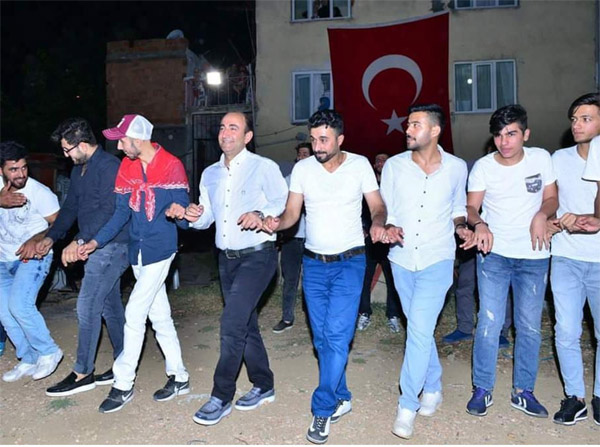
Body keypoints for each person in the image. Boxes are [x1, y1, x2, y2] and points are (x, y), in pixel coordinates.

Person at [262, 109, 387, 444]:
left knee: (336, 337)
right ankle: (342, 396)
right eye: (314, 139)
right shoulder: (303, 169)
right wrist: (276, 222)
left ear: (340, 139)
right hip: (314, 264)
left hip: (350, 262)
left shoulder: (360, 165)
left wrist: (378, 222)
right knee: (322, 340)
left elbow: (377, 206)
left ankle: (323, 408)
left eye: (324, 139)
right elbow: (292, 212)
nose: (317, 146)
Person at [169, 112, 288, 426]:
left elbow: (282, 202)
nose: (225, 132)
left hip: (258, 256)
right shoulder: (210, 174)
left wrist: (260, 212)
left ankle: (221, 396)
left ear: (247, 137)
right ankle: (263, 383)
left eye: (233, 127)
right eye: (222, 127)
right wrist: (192, 216)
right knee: (245, 324)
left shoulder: (264, 167)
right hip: (226, 259)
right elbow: (207, 217)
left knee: (232, 323)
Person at [75, 114, 191, 413]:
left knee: (134, 313)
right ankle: (179, 376)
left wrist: (180, 211)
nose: (118, 147)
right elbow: (120, 214)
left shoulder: (171, 165)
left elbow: (185, 217)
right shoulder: (127, 167)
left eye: (122, 141)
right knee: (160, 317)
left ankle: (123, 383)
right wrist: (96, 241)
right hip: (137, 251)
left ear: (138, 139)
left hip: (161, 250)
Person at [380, 104, 471, 439]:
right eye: (408, 124)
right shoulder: (394, 166)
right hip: (402, 258)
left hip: (438, 257)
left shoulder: (457, 167)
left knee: (418, 328)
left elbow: (458, 207)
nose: (408, 129)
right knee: (420, 327)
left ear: (434, 130)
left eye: (416, 124)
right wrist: (387, 226)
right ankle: (433, 384)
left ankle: (407, 405)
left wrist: (461, 226)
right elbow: (386, 209)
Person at [466, 104, 557, 418]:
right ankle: (482, 388)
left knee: (529, 326)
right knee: (489, 322)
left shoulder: (541, 158)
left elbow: (551, 197)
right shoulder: (483, 167)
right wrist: (480, 224)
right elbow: (471, 208)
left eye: (511, 134)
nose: (504, 141)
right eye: (499, 135)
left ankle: (523, 391)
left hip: (534, 254)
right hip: (494, 255)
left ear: (525, 134)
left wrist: (542, 215)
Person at [36, 118, 130, 397]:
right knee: (110, 306)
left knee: (87, 305)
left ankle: (83, 372)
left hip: (114, 245)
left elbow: (108, 210)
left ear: (83, 144)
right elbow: (70, 208)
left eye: (68, 149)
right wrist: (52, 237)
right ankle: (123, 362)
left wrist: (79, 240)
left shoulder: (109, 167)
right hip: (94, 245)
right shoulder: (79, 170)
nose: (66, 155)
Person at [546, 92, 600, 426]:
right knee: (566, 330)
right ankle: (575, 397)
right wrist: (555, 220)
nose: (577, 125)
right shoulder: (559, 158)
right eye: (574, 119)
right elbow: (549, 200)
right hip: (566, 255)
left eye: (586, 119)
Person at [0, 141, 63, 382]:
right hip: (3, 259)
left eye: (24, 167)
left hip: (35, 256)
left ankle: (49, 351)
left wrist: (37, 238)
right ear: (1, 170)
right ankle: (28, 358)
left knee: (20, 305)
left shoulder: (40, 193)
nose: (20, 174)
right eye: (13, 169)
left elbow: (60, 224)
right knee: (5, 313)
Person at [356, 152, 403, 333]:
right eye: (378, 160)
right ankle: (364, 313)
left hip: (391, 240)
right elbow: (360, 210)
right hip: (371, 239)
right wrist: (363, 228)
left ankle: (393, 315)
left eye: (384, 159)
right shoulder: (368, 186)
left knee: (393, 279)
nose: (381, 162)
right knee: (364, 277)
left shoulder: (396, 185)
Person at [273, 142, 313, 334]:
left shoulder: (319, 179)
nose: (302, 157)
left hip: (314, 240)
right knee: (290, 279)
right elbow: (279, 204)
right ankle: (287, 317)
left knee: (311, 281)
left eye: (306, 154)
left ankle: (312, 318)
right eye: (300, 154)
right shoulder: (288, 180)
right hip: (292, 239)